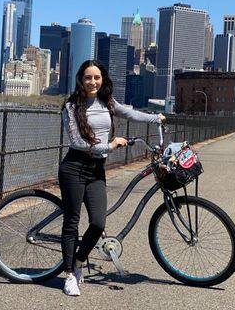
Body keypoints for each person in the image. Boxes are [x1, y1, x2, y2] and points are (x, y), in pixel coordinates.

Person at [59, 60, 165, 296]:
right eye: (88, 77)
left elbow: (129, 113)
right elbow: (77, 142)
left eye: (97, 77)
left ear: (103, 79)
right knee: (72, 223)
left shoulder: (107, 102)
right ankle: (68, 275)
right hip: (74, 167)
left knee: (98, 223)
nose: (93, 82)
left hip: (96, 169)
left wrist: (155, 118)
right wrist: (109, 144)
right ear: (81, 80)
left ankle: (78, 263)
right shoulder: (71, 106)